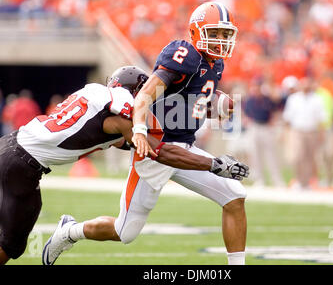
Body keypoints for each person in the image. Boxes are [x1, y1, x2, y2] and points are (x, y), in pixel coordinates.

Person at [0, 66, 249, 265]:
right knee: (11, 244)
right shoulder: (121, 111)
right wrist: (213, 164)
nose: (149, 98)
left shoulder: (94, 93)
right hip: (20, 165)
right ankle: (69, 231)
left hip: (11, 146)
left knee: (234, 196)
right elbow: (155, 150)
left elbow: (116, 136)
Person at [128, 1, 247, 265]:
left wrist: (215, 106)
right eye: (214, 33)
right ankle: (71, 231)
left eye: (225, 34)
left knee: (235, 197)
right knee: (124, 232)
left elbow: (190, 102)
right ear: (195, 31)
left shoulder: (215, 65)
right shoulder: (184, 53)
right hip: (156, 148)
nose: (220, 40)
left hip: (185, 147)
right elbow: (147, 93)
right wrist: (138, 129)